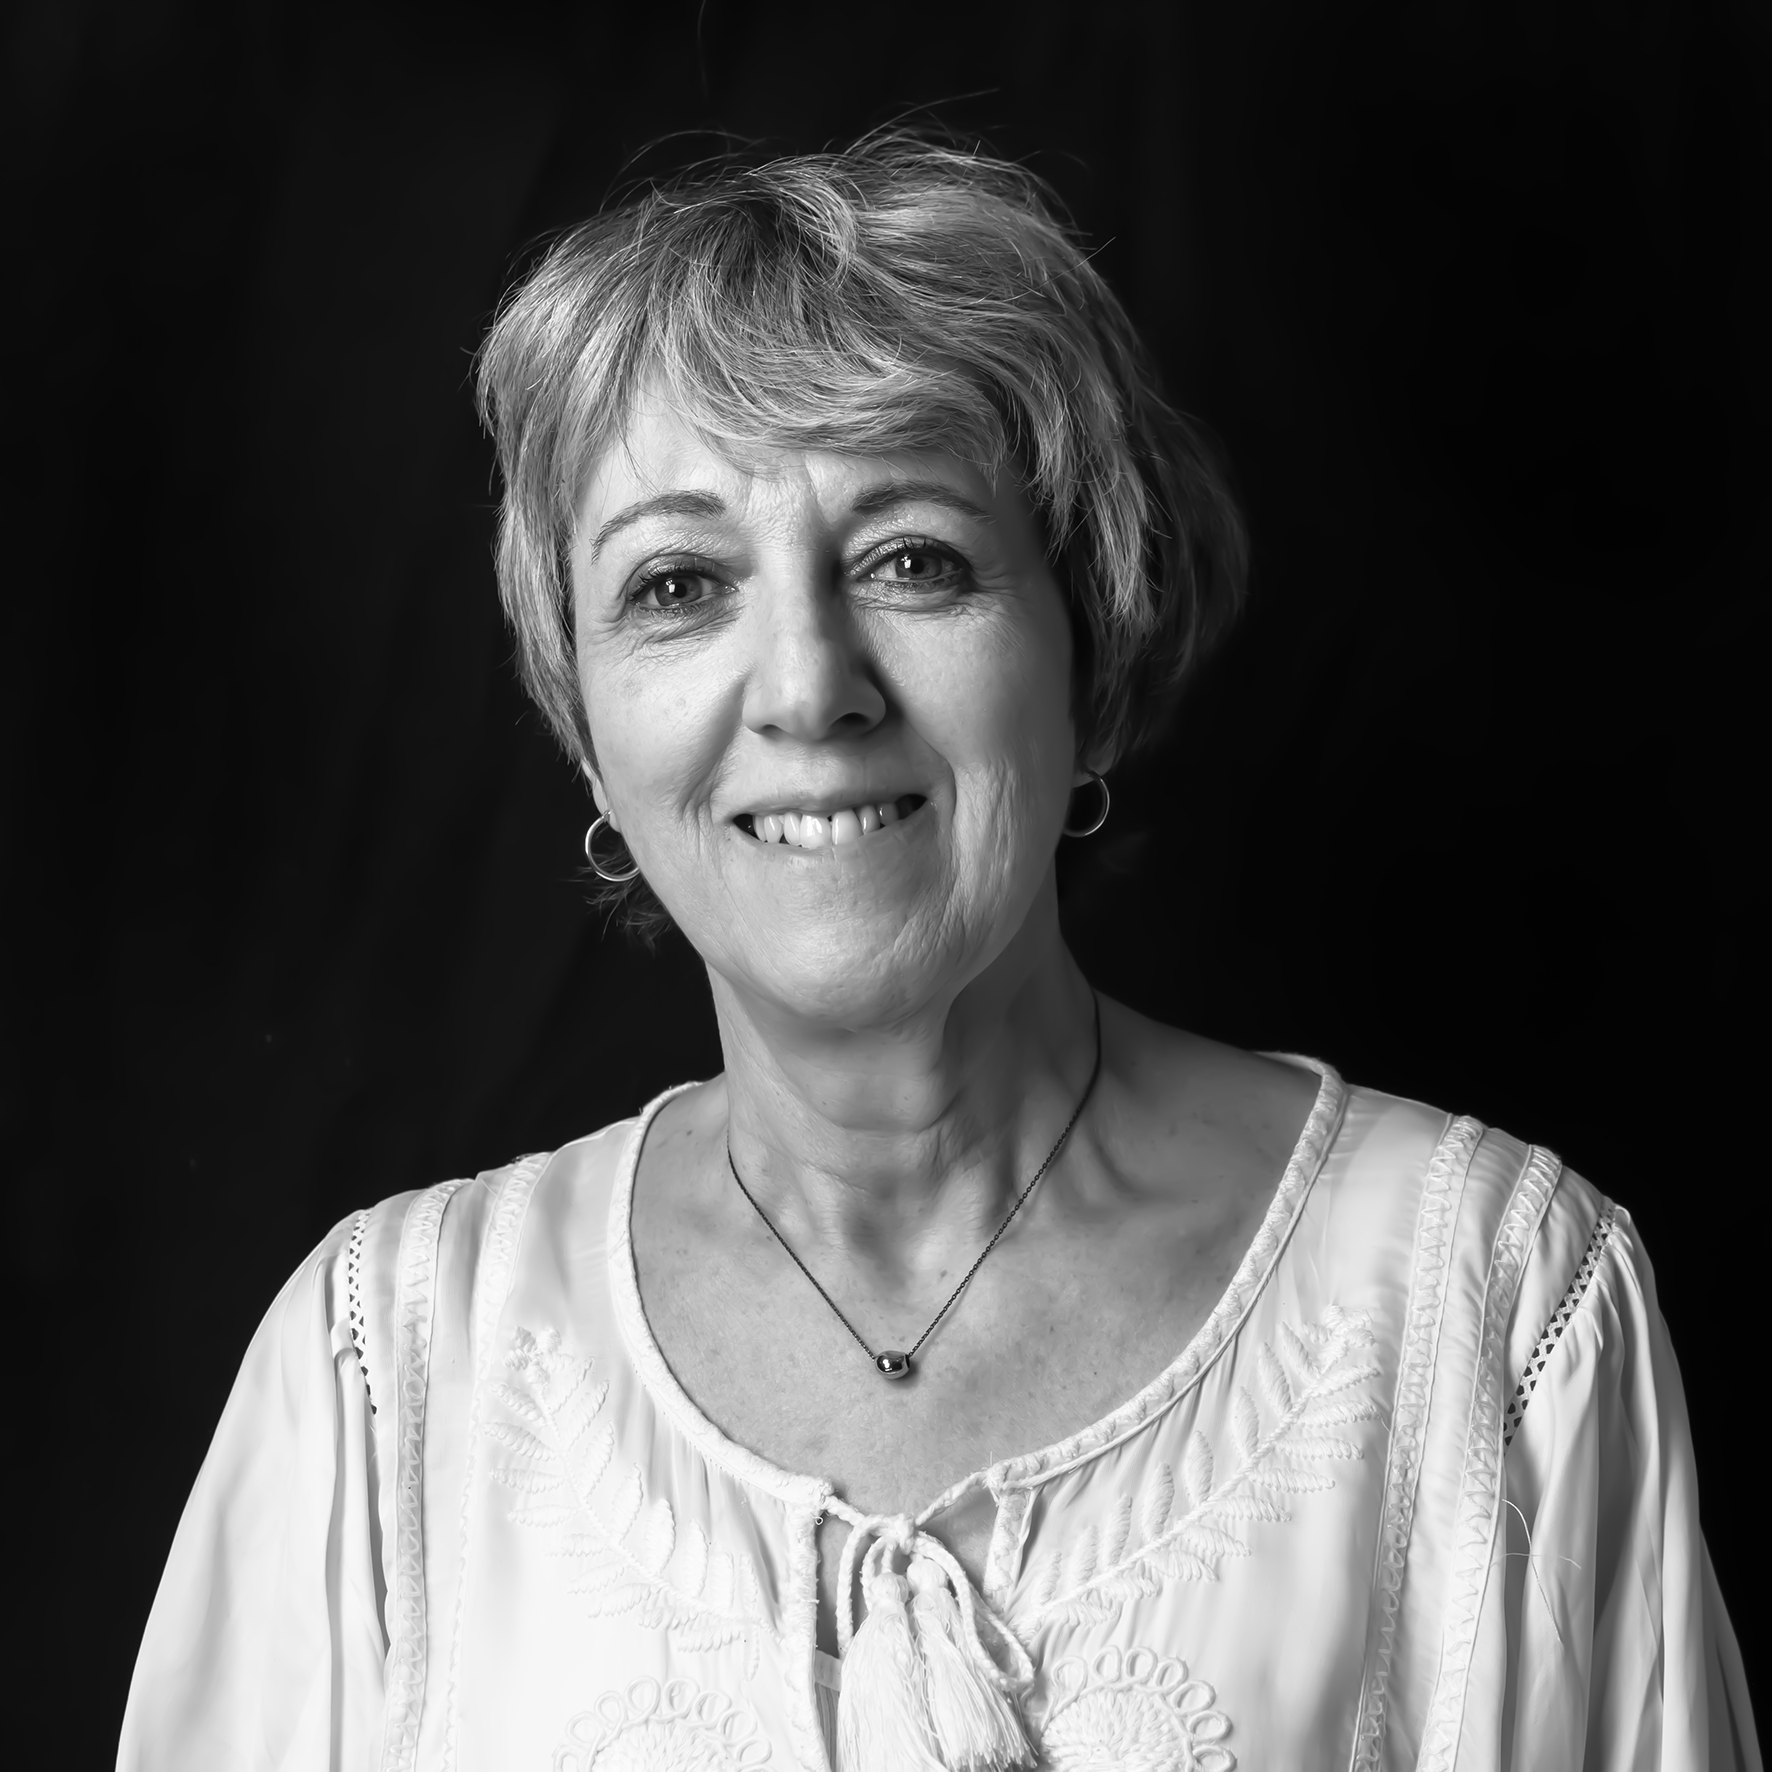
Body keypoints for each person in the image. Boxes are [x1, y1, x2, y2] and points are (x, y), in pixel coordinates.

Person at [118, 135, 1757, 1772]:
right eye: (678, 585)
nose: (807, 687)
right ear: (589, 733)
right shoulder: (389, 1379)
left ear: (1089, 653)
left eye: (912, 559)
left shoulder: (1490, 1309)